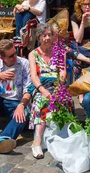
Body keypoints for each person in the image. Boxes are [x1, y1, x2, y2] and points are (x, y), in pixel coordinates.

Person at [27, 23, 66, 159]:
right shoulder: (33, 54)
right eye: (45, 35)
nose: (48, 38)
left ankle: (61, 138)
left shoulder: (59, 52)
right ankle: (37, 140)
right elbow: (34, 76)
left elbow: (62, 71)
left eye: (50, 35)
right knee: (42, 100)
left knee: (63, 101)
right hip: (41, 86)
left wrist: (59, 87)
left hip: (56, 85)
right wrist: (43, 90)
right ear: (39, 37)